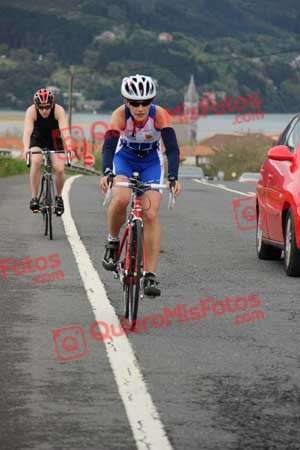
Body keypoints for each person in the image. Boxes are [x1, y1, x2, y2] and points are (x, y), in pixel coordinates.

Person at [99, 74, 181, 297]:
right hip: (124, 158)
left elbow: (172, 150)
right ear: (127, 102)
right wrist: (107, 172)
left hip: (151, 162)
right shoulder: (119, 115)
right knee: (122, 198)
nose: (140, 108)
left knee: (151, 213)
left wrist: (173, 177)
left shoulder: (160, 115)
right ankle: (113, 242)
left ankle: (150, 275)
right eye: (134, 103)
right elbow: (108, 147)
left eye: (145, 102)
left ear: (151, 101)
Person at [23, 88, 71, 216]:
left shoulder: (59, 110)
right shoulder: (31, 111)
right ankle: (34, 198)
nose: (44, 110)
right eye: (41, 107)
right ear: (36, 105)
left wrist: (69, 146)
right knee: (37, 161)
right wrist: (26, 148)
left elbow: (65, 131)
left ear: (52, 104)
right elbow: (27, 132)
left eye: (47, 107)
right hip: (37, 139)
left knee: (60, 169)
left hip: (54, 139)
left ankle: (59, 197)